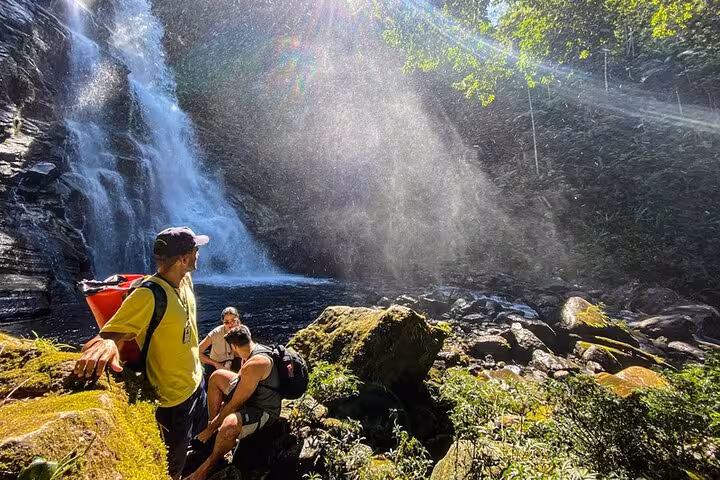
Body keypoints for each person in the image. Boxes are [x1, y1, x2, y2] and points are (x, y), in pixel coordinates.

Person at [73, 226, 210, 480]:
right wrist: (106, 344)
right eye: (195, 250)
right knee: (172, 465)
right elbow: (112, 333)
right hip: (172, 401)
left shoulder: (184, 280)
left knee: (198, 438)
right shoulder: (148, 295)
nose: (198, 253)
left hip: (196, 383)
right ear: (183, 259)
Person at [184, 325, 281, 480]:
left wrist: (212, 426)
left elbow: (235, 404)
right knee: (216, 376)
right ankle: (213, 440)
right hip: (252, 394)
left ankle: (206, 467)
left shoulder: (254, 365)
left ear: (234, 347)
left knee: (229, 423)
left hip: (263, 409)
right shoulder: (254, 350)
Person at [199, 306, 242, 377]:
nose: (230, 324)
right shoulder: (216, 333)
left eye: (233, 320)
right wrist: (216, 364)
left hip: (234, 362)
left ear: (238, 319)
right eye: (226, 322)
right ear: (223, 322)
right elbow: (198, 352)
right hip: (215, 365)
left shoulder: (242, 331)